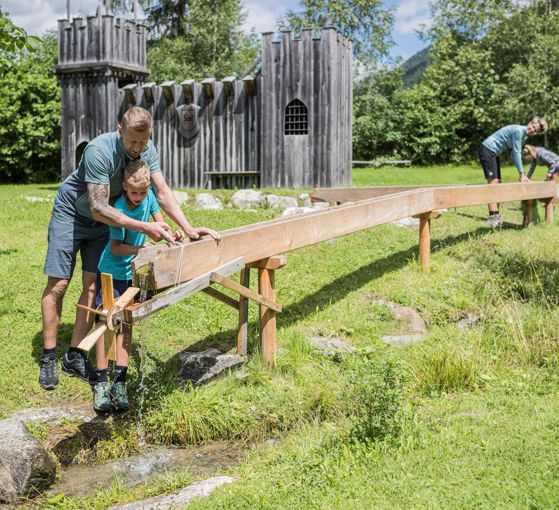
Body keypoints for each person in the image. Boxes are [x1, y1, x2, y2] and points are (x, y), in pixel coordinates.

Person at [39, 106, 220, 391]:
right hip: (73, 214)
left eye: (143, 142)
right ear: (119, 129)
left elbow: (161, 191)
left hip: (106, 221)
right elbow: (98, 206)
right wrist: (144, 227)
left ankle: (74, 355)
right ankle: (49, 356)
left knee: (93, 285)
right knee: (59, 283)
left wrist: (188, 228)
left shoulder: (146, 149)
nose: (137, 149)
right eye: (132, 142)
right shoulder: (98, 150)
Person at [91, 160, 181, 412]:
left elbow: (161, 226)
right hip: (111, 273)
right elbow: (117, 248)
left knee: (126, 324)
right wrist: (142, 247)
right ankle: (100, 381)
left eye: (142, 192)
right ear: (124, 187)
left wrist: (172, 235)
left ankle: (119, 381)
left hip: (133, 273)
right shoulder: (118, 210)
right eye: (134, 193)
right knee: (105, 324)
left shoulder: (149, 197)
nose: (139, 198)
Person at [478, 117, 548, 227]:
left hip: (493, 153)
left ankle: (496, 217)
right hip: (487, 150)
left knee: (498, 184)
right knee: (493, 185)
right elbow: (516, 153)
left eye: (535, 131)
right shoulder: (518, 131)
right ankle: (493, 218)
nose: (532, 130)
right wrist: (521, 173)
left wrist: (522, 173)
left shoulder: (524, 136)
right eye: (533, 127)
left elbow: (513, 156)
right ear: (530, 123)